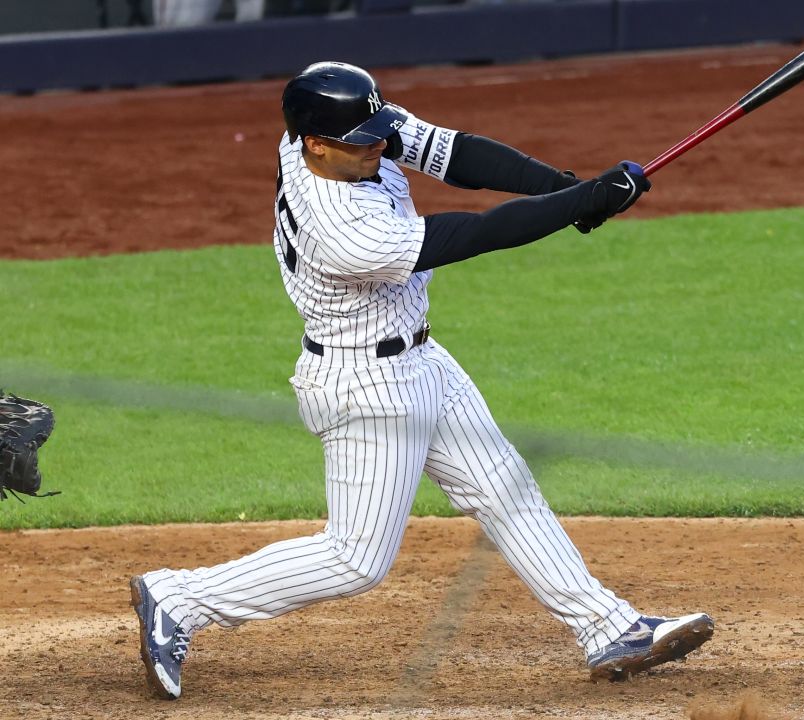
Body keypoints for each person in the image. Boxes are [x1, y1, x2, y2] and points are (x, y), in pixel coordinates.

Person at [128, 61, 713, 700]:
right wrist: (582, 202)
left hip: (421, 359)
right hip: (364, 385)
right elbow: (471, 234)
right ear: (315, 145)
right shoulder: (341, 226)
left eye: (380, 130)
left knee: (504, 487)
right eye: (364, 141)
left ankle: (610, 628)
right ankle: (178, 598)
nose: (380, 145)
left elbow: (457, 154)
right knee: (355, 560)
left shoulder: (329, 135)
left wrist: (571, 189)